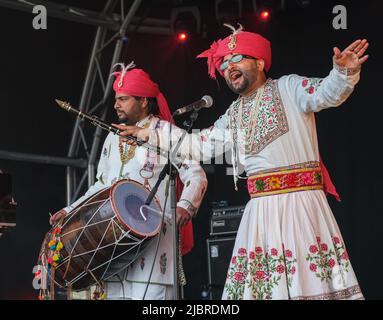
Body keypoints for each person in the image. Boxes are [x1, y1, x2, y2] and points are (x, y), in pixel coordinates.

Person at [114, 25, 368, 300]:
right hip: (260, 213)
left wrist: (344, 72)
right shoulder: (232, 115)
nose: (228, 67)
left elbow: (326, 93)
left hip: (301, 206)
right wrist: (147, 133)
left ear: (259, 62)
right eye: (223, 63)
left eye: (236, 59)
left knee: (308, 286)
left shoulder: (289, 87)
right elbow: (196, 146)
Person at [50, 62, 208, 300]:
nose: (116, 104)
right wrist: (70, 210)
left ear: (144, 101)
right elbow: (101, 186)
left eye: (123, 98)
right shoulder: (113, 138)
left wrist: (186, 205)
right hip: (113, 246)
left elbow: (195, 174)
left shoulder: (166, 133)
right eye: (116, 98)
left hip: (155, 241)